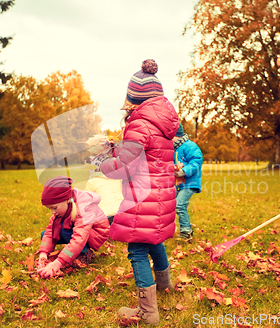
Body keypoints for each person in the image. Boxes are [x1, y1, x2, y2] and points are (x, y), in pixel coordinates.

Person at [98, 59, 179, 325]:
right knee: (154, 240)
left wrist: (102, 163)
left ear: (134, 98)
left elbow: (123, 166)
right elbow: (142, 154)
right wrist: (115, 148)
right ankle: (165, 285)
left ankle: (148, 313)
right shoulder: (162, 124)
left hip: (142, 198)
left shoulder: (139, 124)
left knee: (137, 251)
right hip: (160, 196)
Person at [36, 176, 110, 278]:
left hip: (94, 234)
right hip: (80, 231)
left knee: (67, 231)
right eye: (50, 209)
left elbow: (79, 238)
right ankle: (74, 252)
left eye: (54, 208)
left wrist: (57, 263)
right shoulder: (62, 210)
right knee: (45, 234)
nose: (53, 212)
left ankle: (85, 254)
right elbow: (49, 232)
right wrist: (43, 254)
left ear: (66, 200)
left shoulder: (84, 209)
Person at [174, 123, 203, 240]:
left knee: (179, 204)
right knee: (172, 205)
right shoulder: (172, 149)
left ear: (177, 136)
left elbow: (197, 161)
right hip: (178, 184)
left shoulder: (189, 146)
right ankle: (173, 228)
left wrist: (184, 171)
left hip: (190, 183)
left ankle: (186, 231)